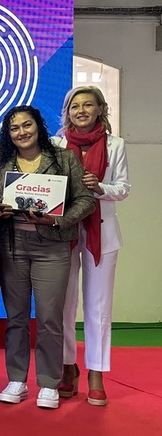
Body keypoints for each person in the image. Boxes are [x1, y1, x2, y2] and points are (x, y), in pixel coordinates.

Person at [0, 106, 95, 410]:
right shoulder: (3, 165)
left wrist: (57, 221)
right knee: (16, 318)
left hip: (52, 246)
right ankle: (17, 379)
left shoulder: (63, 159)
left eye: (27, 125)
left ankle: (49, 382)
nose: (21, 132)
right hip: (13, 245)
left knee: (50, 318)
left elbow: (86, 200)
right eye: (14, 128)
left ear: (39, 126)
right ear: (8, 134)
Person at [53, 86, 130, 406]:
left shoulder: (116, 144)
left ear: (100, 109)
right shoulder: (57, 145)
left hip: (103, 233)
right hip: (65, 233)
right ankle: (67, 367)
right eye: (74, 106)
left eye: (88, 105)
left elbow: (123, 188)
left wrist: (98, 187)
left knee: (98, 309)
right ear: (67, 111)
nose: (81, 110)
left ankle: (96, 372)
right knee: (64, 306)